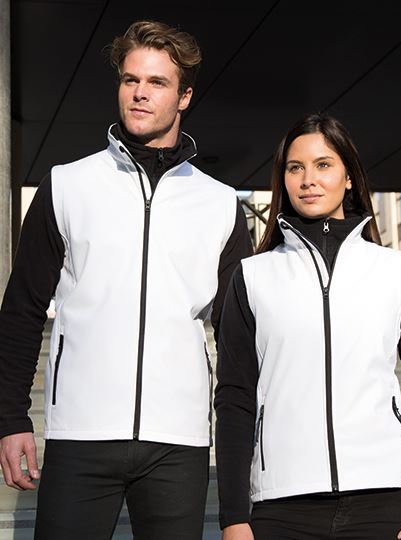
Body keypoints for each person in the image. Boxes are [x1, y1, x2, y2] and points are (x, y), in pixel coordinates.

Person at [0, 19, 253, 540]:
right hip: (79, 433)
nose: (140, 93)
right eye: (130, 79)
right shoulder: (66, 185)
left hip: (178, 441)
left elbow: (238, 336)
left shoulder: (221, 204)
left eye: (157, 82)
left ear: (184, 97)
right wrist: (10, 418)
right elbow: (22, 309)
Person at [214, 111, 401, 540]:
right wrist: (233, 517)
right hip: (282, 507)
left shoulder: (397, 271)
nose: (308, 179)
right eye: (295, 168)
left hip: (386, 501)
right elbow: (234, 399)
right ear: (283, 180)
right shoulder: (252, 277)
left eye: (323, 164)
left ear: (349, 177)